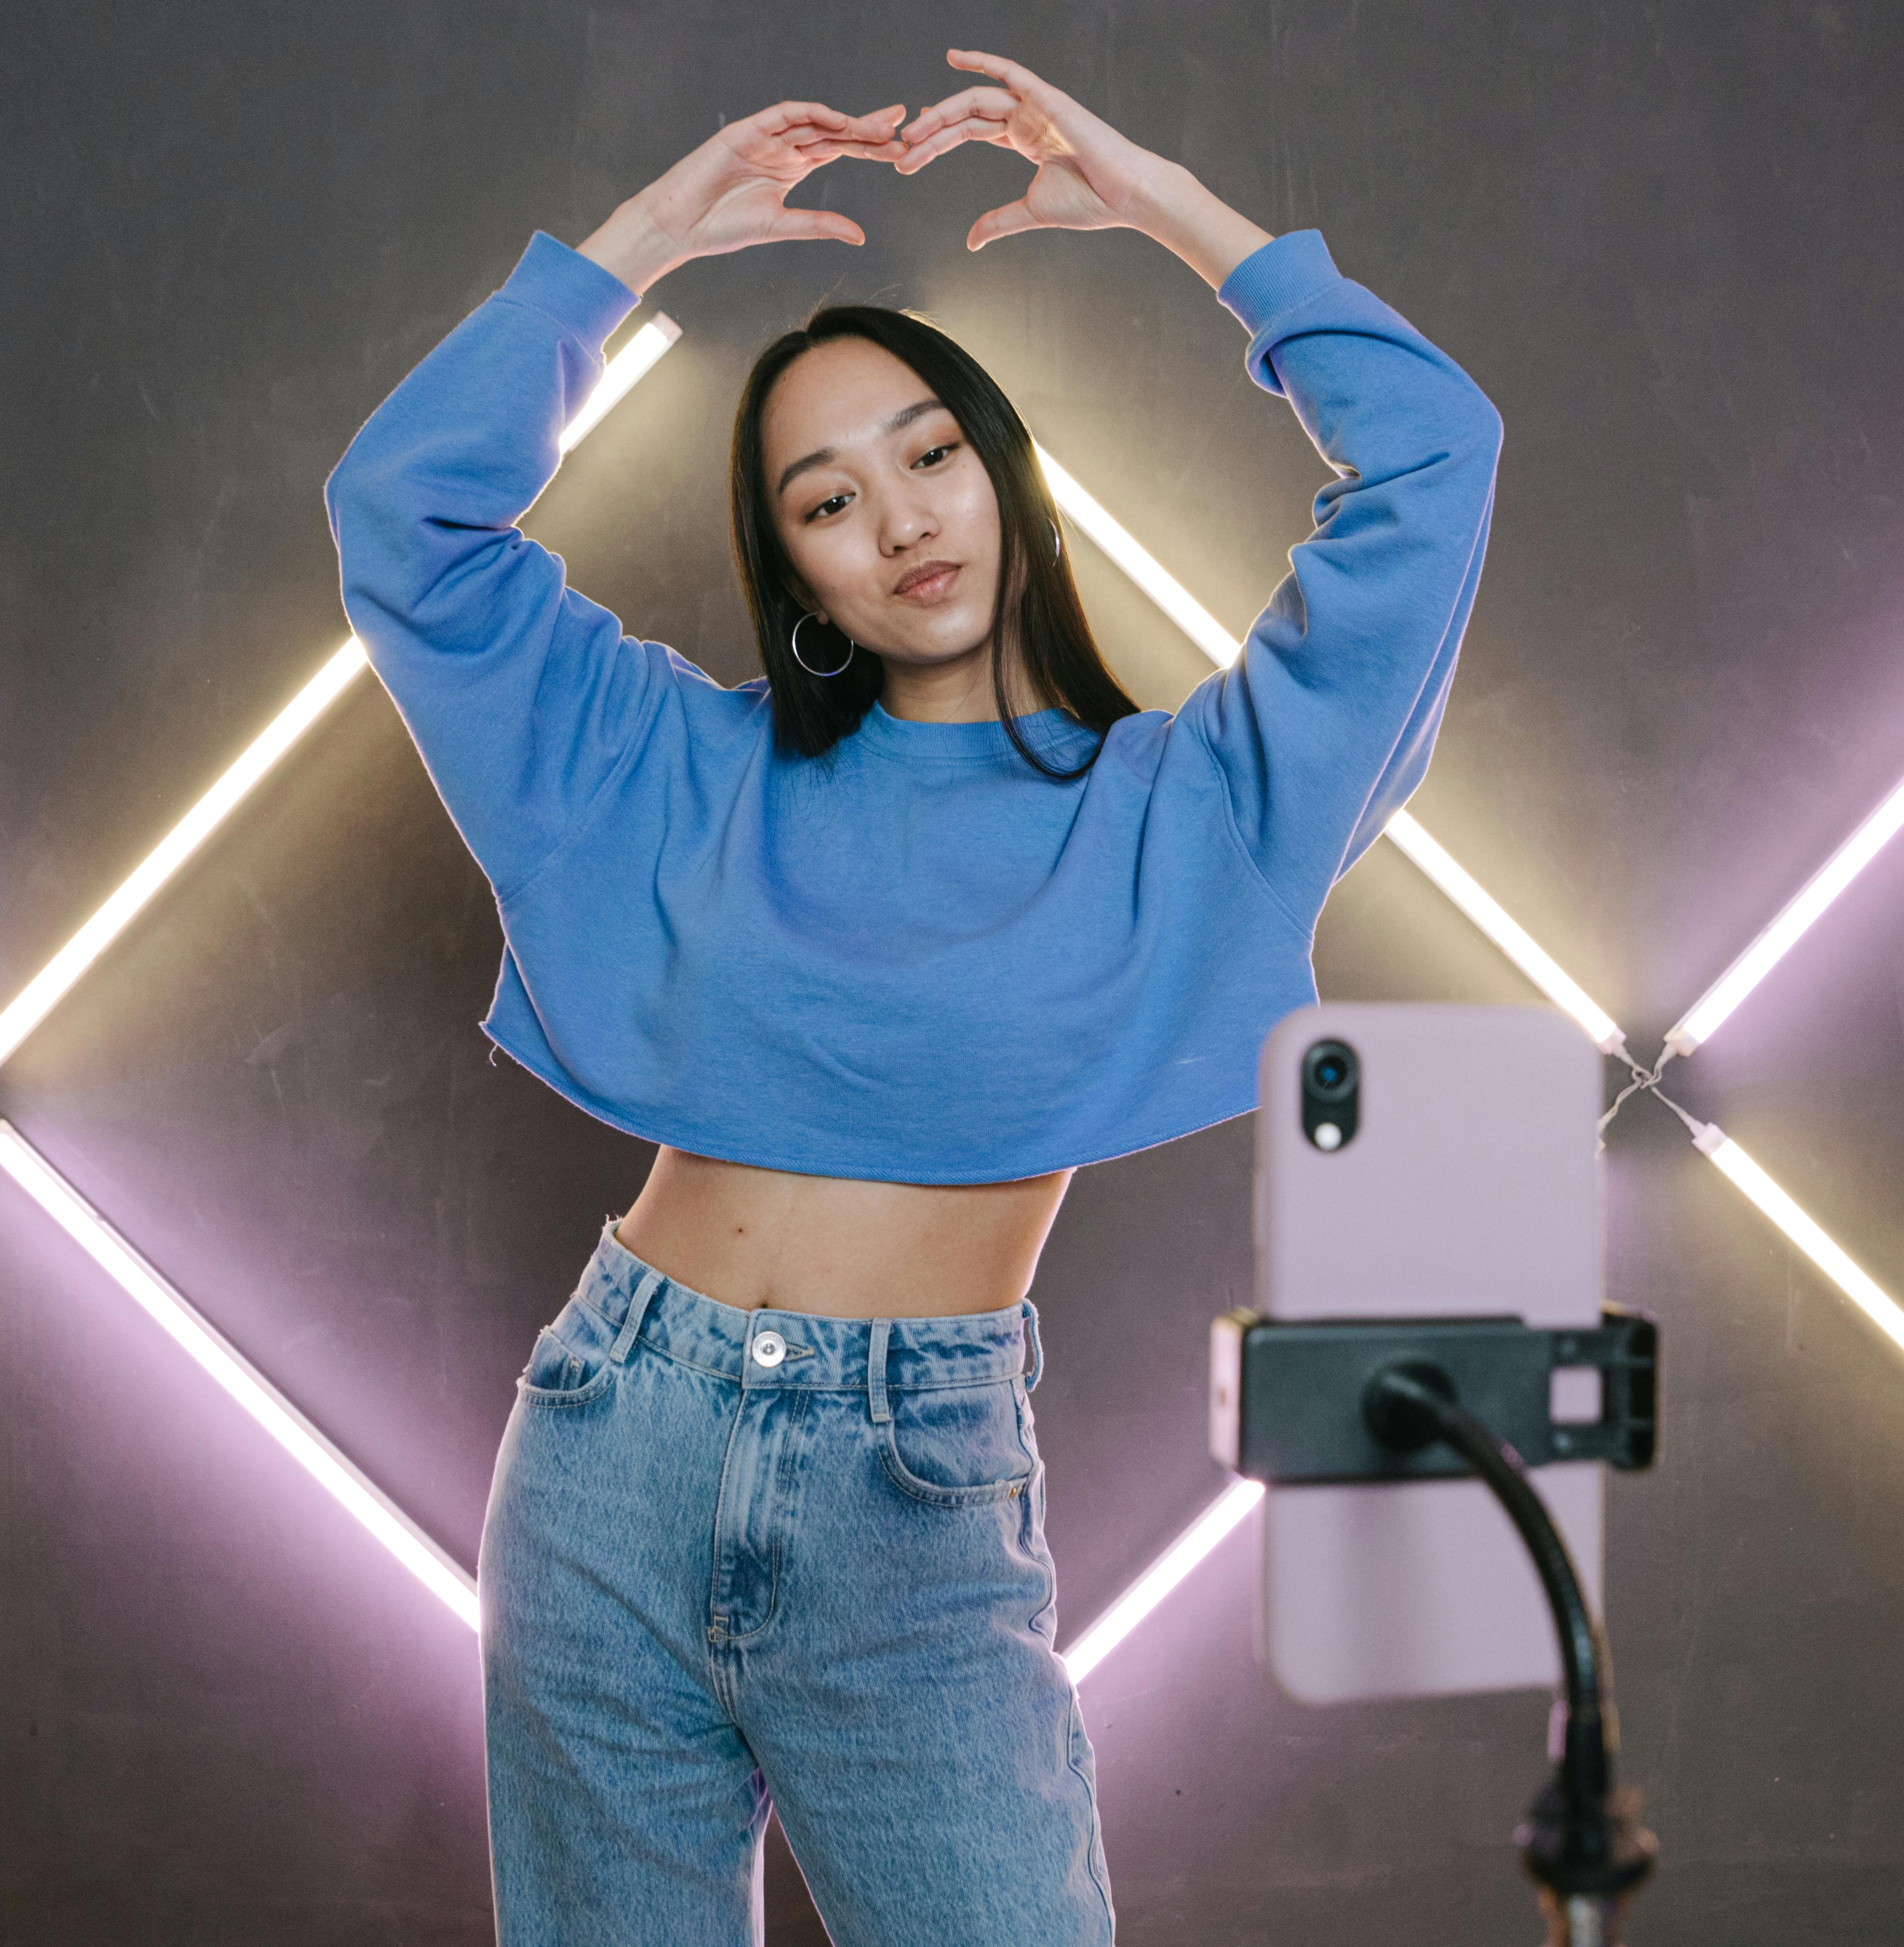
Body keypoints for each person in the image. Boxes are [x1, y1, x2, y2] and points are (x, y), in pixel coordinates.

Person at [325, 47, 1502, 1947]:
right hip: (613, 1443)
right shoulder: (672, 767)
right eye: (827, 497)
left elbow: (1440, 461)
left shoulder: (1196, 811)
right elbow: (404, 521)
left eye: (931, 451)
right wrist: (620, 259)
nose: (901, 519)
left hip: (915, 1492)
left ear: (1006, 466)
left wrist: (1187, 221)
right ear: (795, 574)